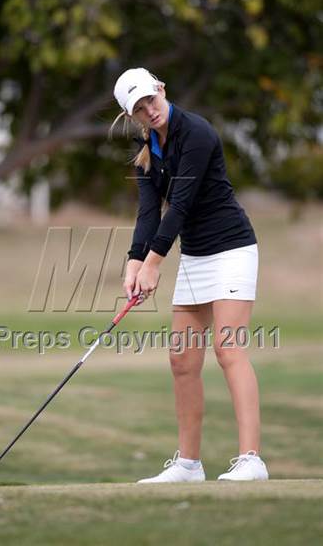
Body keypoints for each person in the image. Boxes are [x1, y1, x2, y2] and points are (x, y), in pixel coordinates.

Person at [110, 67, 269, 482]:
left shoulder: (197, 133)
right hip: (197, 256)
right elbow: (149, 211)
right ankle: (188, 465)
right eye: (140, 109)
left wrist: (153, 264)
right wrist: (133, 261)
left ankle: (252, 460)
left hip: (232, 249)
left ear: (162, 89)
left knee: (228, 348)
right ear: (133, 116)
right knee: (182, 359)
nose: (150, 110)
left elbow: (178, 206)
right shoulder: (146, 144)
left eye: (152, 100)